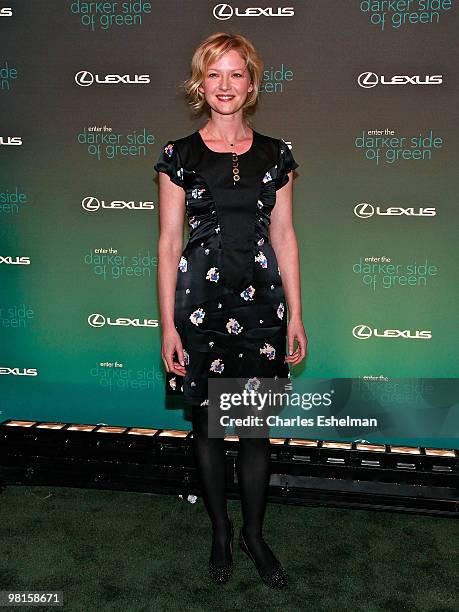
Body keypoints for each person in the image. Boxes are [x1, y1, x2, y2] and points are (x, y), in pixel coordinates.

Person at [154, 32, 307, 589]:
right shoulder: (179, 155)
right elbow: (170, 244)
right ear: (200, 83)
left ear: (252, 84)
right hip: (199, 306)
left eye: (235, 74)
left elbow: (285, 236)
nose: (225, 85)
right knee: (209, 429)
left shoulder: (276, 153)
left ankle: (254, 534)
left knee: (252, 429)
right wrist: (168, 323)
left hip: (263, 302)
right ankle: (220, 531)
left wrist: (295, 315)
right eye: (214, 74)